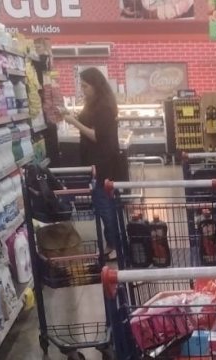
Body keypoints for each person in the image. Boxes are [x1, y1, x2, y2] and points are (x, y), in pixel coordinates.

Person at [62, 68, 125, 257]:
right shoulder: (94, 104)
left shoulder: (103, 107)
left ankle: (115, 245)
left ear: (96, 85)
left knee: (104, 204)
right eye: (81, 86)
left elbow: (97, 136)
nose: (83, 90)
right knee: (104, 203)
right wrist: (70, 115)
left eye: (85, 86)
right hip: (96, 161)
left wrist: (73, 122)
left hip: (104, 163)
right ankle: (113, 243)